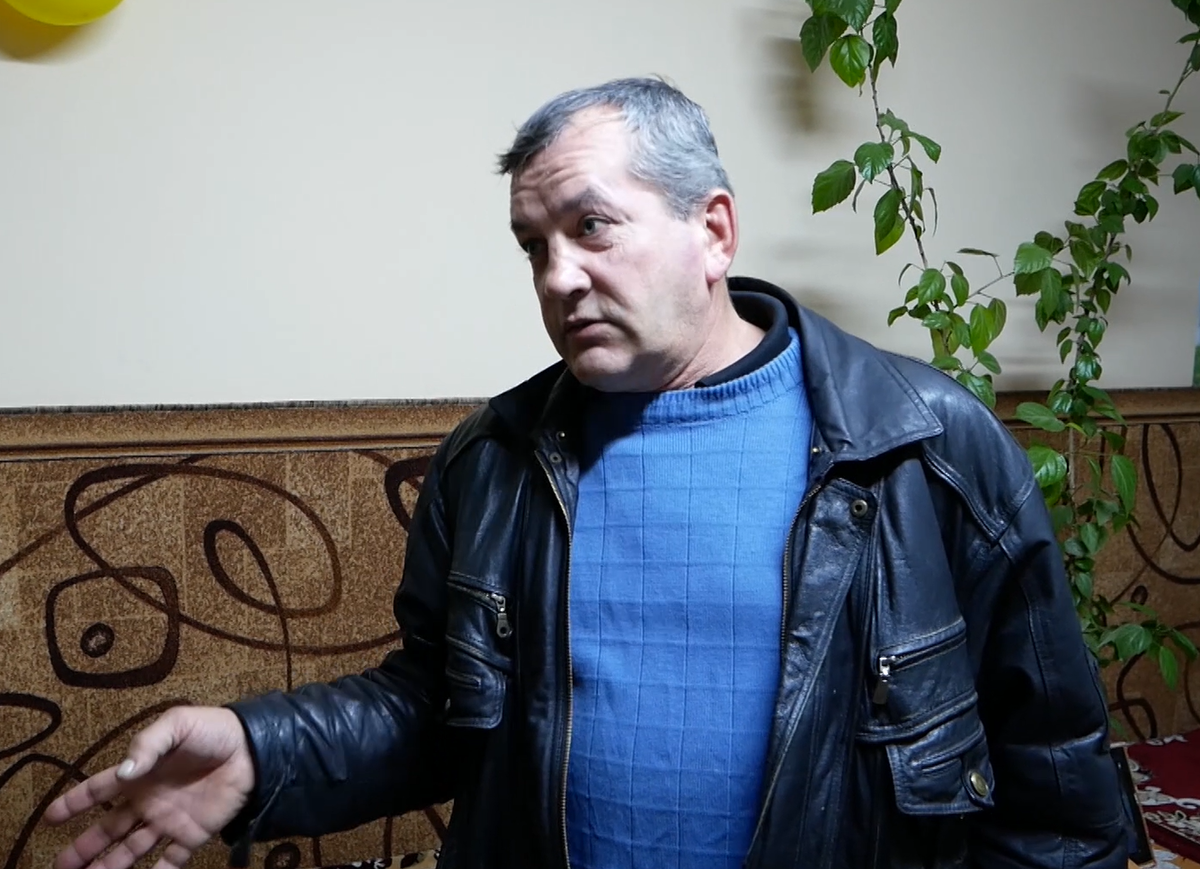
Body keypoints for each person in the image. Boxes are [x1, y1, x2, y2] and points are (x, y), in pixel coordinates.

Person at [46, 77, 1128, 869]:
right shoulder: (493, 460)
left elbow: (1053, 780)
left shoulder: (923, 443)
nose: (558, 276)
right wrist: (259, 748)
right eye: (533, 244)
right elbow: (436, 705)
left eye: (591, 227)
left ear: (713, 230)